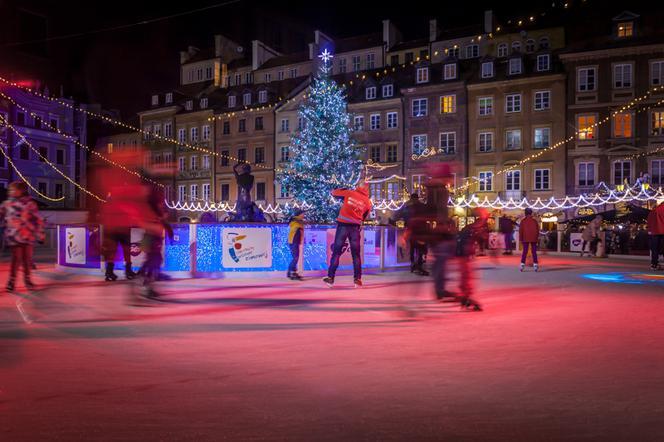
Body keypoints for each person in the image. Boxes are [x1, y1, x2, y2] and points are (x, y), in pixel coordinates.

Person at [323, 184, 373, 288]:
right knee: (356, 255)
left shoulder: (350, 193)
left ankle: (330, 278)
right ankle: (357, 280)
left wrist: (342, 188)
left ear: (358, 186)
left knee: (336, 252)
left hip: (343, 226)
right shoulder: (368, 202)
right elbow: (363, 217)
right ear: (367, 189)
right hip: (355, 228)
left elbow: (334, 192)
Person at [0, 181, 45, 291]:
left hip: (27, 235)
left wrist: (41, 235)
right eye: (10, 190)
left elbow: (38, 220)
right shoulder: (6, 204)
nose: (10, 192)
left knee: (27, 259)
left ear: (21, 190)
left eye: (13, 189)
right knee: (16, 258)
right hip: (14, 236)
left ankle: (27, 280)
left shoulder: (30, 204)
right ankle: (12, 281)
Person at [392, 193, 429, 275]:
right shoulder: (422, 206)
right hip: (422, 230)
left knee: (413, 247)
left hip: (412, 230)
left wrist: (393, 221)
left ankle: (413, 264)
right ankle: (419, 264)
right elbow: (428, 215)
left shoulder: (406, 206)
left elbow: (396, 215)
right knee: (421, 248)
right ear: (417, 198)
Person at [287, 209, 305, 280]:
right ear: (299, 214)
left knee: (295, 257)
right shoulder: (296, 222)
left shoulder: (298, 221)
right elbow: (296, 231)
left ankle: (290, 272)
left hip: (295, 241)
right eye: (302, 214)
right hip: (293, 241)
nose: (304, 215)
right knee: (295, 258)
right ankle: (292, 272)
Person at [647, 201, 664, 270]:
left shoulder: (653, 211)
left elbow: (649, 222)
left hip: (654, 233)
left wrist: (650, 231)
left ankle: (654, 264)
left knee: (655, 249)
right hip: (663, 232)